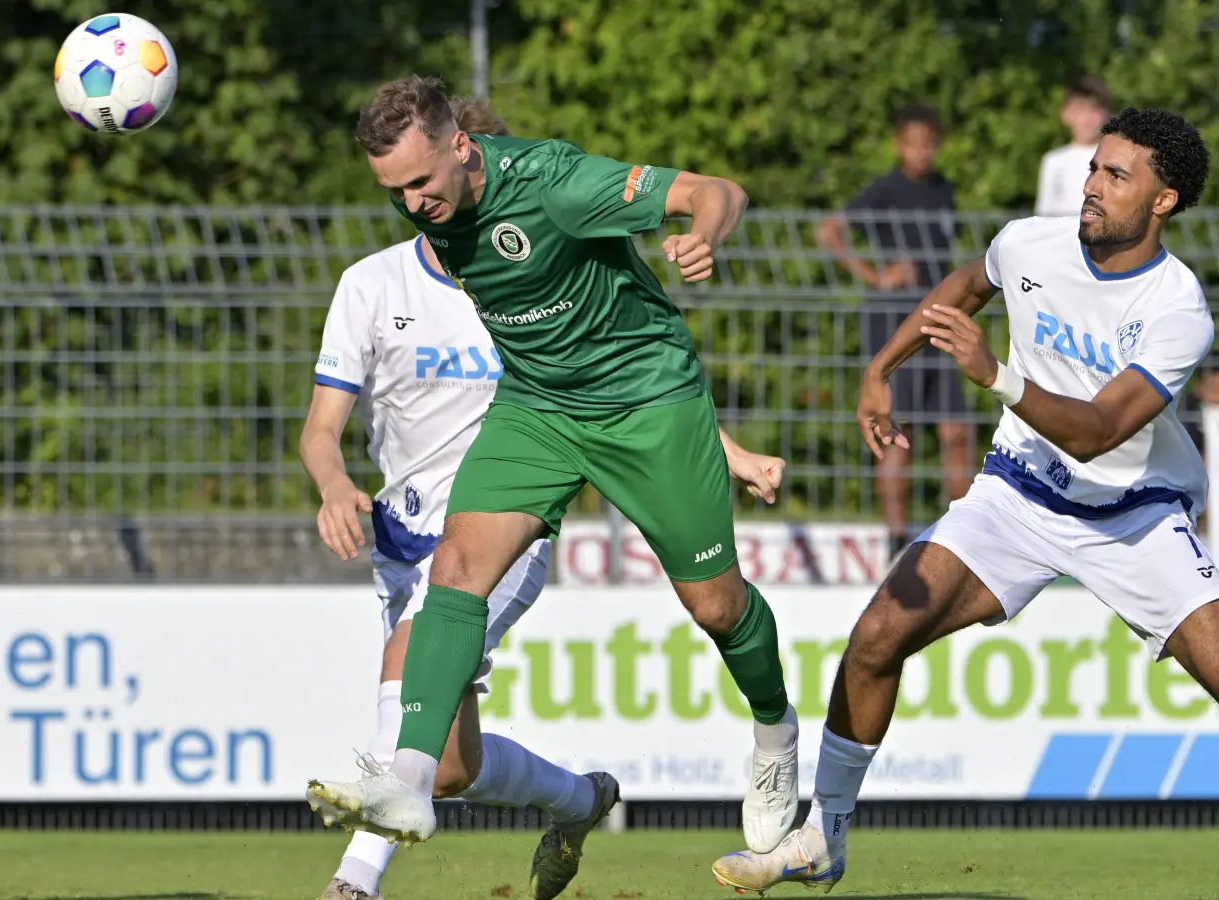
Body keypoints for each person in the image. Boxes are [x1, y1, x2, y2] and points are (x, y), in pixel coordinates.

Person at [305, 75, 802, 880]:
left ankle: (777, 732)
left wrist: (703, 235)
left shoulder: (557, 184)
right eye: (393, 192)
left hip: (646, 402)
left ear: (461, 147)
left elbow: (716, 189)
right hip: (538, 406)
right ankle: (405, 787)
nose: (412, 204)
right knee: (455, 570)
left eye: (422, 183)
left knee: (715, 605)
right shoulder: (422, 221)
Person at [711, 107, 1213, 894]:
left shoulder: (1178, 308)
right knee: (877, 635)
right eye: (1094, 167)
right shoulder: (1029, 241)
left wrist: (997, 376)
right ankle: (821, 837)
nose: (1094, 185)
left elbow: (1098, 431)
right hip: (1018, 493)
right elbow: (967, 287)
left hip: (1132, 514)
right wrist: (883, 366)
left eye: (1118, 175)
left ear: (1164, 201)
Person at [818, 105, 972, 560]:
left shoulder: (944, 190)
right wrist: (874, 276)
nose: (921, 151)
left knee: (956, 430)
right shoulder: (884, 190)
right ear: (898, 145)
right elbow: (829, 231)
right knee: (896, 432)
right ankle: (895, 539)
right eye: (913, 142)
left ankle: (962, 538)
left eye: (929, 143)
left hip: (942, 320)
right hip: (896, 323)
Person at [1036, 76, 1113, 218]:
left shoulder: (1115, 158)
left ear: (1106, 113)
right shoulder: (1053, 161)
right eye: (1079, 111)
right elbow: (1043, 212)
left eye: (1094, 111)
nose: (1086, 120)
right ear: (1066, 114)